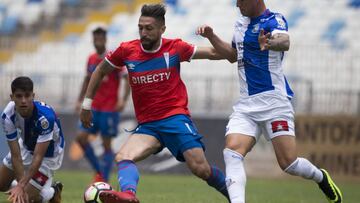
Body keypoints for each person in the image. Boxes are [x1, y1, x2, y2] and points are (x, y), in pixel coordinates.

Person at [80, 3, 229, 203]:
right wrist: (86, 104)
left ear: (162, 30)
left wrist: (211, 36)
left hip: (175, 119)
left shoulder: (175, 48)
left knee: (201, 169)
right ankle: (129, 196)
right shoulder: (127, 50)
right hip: (148, 126)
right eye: (140, 27)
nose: (143, 32)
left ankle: (235, 196)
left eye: (149, 28)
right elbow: (100, 70)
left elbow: (218, 53)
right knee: (123, 156)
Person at [196, 0, 343, 203]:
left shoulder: (275, 20)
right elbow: (232, 56)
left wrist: (270, 43)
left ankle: (321, 177)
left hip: (274, 103)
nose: (237, 4)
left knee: (288, 163)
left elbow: (285, 42)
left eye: (240, 0)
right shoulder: (240, 24)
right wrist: (212, 37)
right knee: (232, 152)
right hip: (246, 105)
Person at [75, 27, 130, 183]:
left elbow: (127, 79)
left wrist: (123, 100)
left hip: (109, 108)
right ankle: (100, 171)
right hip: (93, 107)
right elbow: (87, 80)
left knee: (106, 144)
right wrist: (80, 100)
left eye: (101, 38)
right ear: (93, 40)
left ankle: (103, 180)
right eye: (95, 38)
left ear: (105, 40)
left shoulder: (112, 58)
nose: (98, 40)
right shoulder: (91, 59)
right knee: (81, 138)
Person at [0, 76, 64, 203]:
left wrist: (21, 186)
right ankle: (38, 190)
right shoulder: (8, 115)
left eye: (27, 96)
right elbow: (16, 155)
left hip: (48, 156)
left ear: (33, 96)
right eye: (19, 96)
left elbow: (38, 157)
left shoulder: (45, 118)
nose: (23, 100)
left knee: (22, 200)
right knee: (2, 185)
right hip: (26, 146)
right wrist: (20, 186)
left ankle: (50, 193)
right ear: (12, 97)